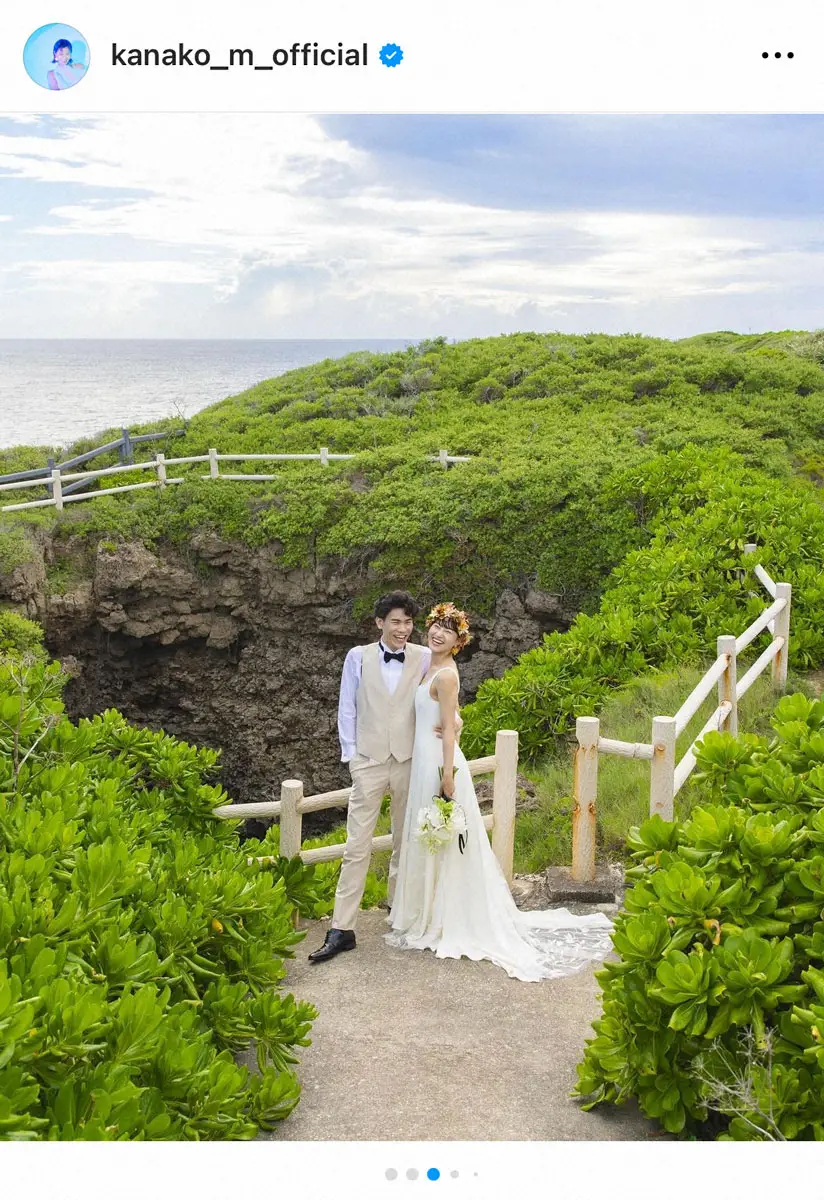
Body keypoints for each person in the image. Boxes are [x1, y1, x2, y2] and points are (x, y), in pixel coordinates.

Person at [386, 602, 614, 982]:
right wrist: (455, 721)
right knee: (430, 837)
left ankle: (444, 917)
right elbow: (450, 718)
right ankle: (425, 912)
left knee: (442, 837)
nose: (438, 633)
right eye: (435, 626)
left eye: (447, 630)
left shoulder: (446, 676)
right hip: (422, 758)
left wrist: (447, 777)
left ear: (459, 640)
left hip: (438, 763)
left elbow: (446, 727)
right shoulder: (428, 663)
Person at [309, 591, 448, 964]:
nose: (403, 629)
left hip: (409, 760)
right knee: (357, 846)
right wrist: (352, 757)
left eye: (408, 622)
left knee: (407, 841)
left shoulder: (423, 657)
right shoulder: (358, 656)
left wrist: (448, 728)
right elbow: (347, 708)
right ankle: (342, 928)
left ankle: (399, 912)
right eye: (396, 622)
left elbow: (444, 692)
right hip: (369, 761)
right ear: (379, 623)